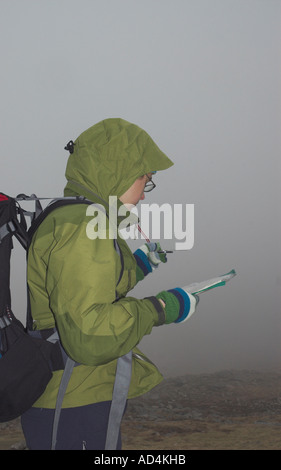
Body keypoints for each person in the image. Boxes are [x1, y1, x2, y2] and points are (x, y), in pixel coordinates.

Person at [21, 118, 199, 450]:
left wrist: (139, 265)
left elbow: (92, 286)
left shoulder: (76, 217)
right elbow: (90, 334)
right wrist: (159, 309)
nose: (144, 196)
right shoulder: (82, 227)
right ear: (116, 171)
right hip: (72, 402)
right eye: (145, 181)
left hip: (74, 394)